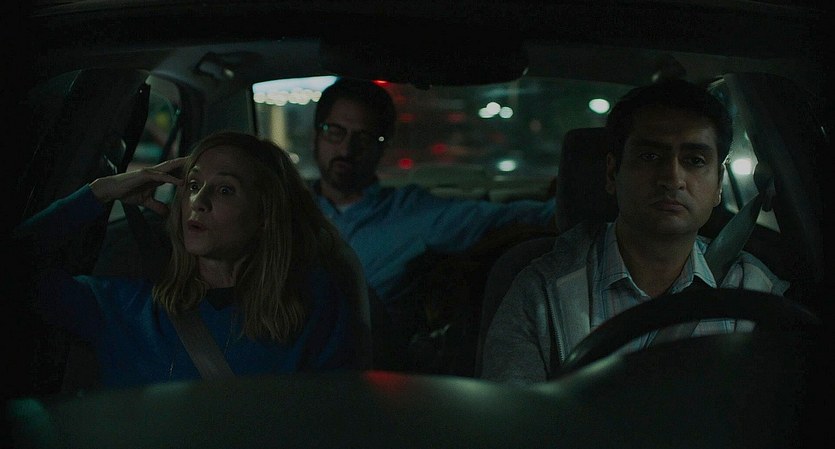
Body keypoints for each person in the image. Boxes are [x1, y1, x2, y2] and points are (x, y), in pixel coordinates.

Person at [481, 79, 789, 385]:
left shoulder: (752, 290)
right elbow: (512, 411)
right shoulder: (543, 292)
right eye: (650, 156)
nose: (672, 178)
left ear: (719, 184)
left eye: (695, 161)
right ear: (612, 173)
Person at [13, 131, 367, 389]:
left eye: (224, 189)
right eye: (194, 185)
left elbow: (339, 419)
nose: (199, 201)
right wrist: (100, 192)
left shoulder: (312, 304)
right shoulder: (125, 308)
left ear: (264, 215)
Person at [310, 78, 557, 359]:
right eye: (335, 132)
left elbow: (506, 216)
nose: (346, 150)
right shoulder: (284, 209)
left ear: (382, 146)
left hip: (370, 364)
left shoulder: (415, 212)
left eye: (363, 138)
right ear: (316, 135)